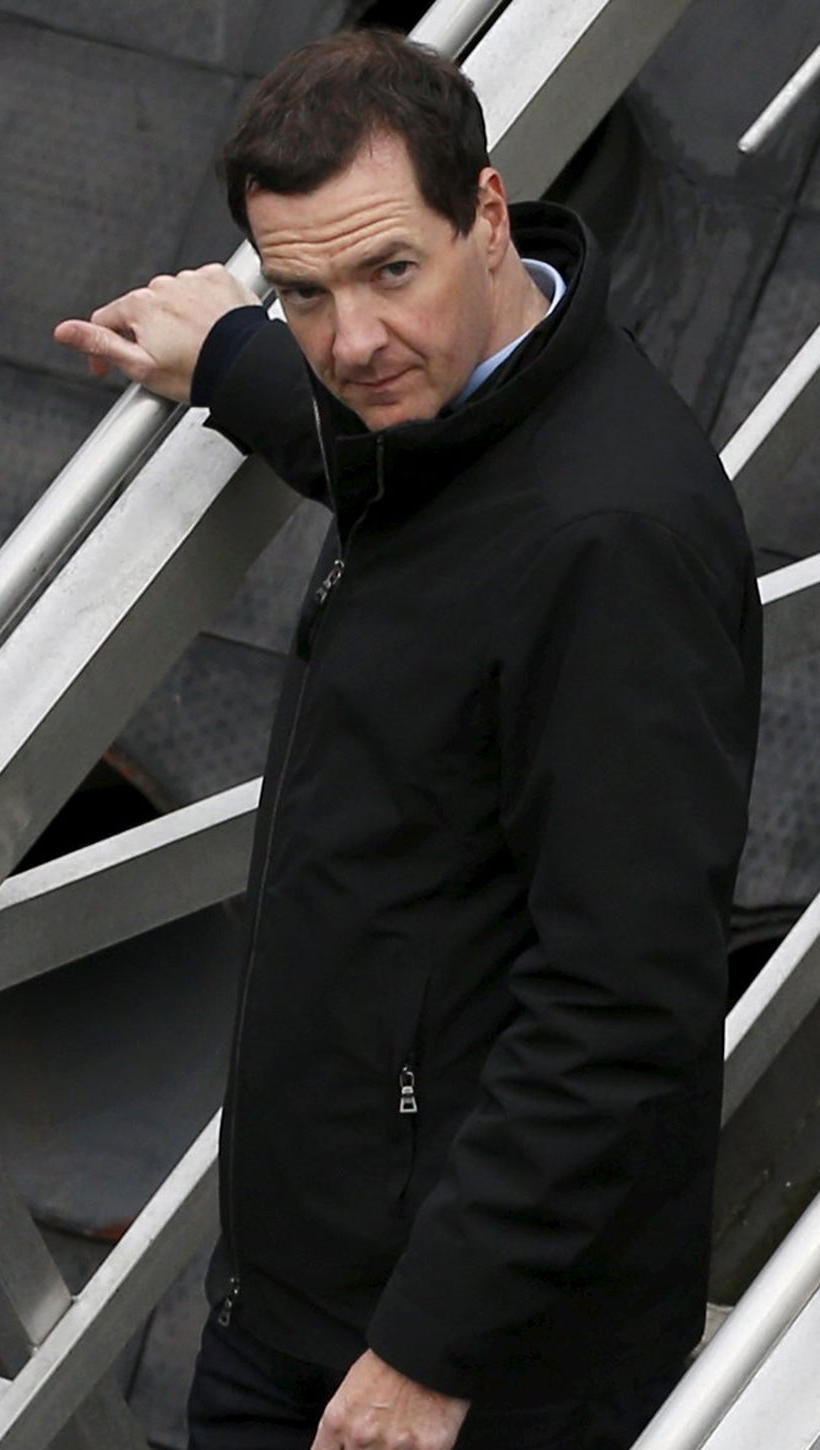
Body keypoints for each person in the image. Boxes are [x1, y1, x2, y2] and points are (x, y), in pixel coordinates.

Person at [55, 30, 762, 1450]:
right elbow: (411, 472)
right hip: (315, 1297)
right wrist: (238, 361)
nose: (353, 339)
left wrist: (429, 1355)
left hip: (461, 1363)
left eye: (390, 270)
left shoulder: (612, 540)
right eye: (304, 291)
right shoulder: (456, 417)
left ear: (488, 216)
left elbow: (625, 997)